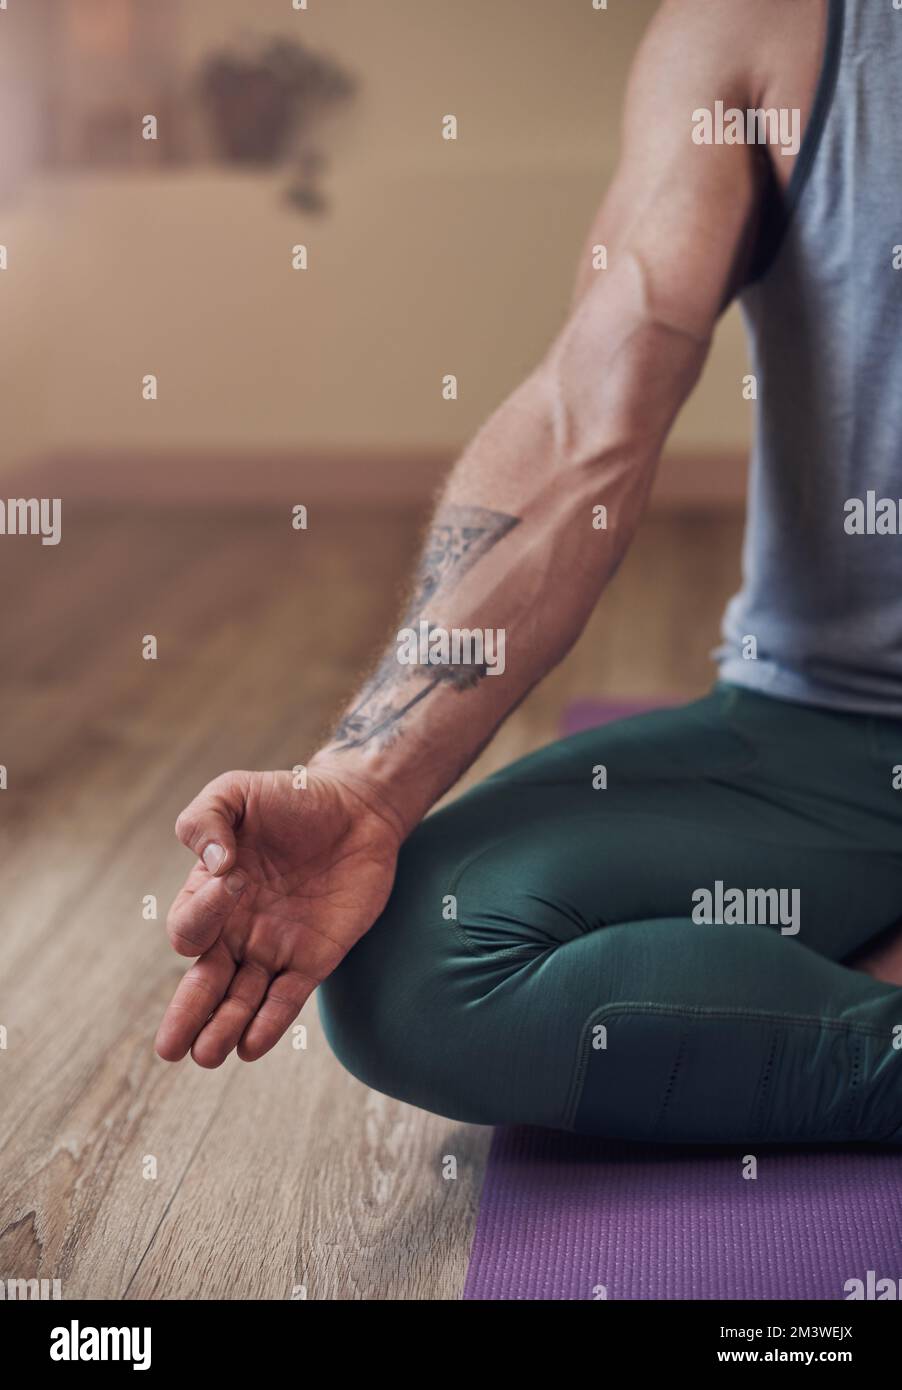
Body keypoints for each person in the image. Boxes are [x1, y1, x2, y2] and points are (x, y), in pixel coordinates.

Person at [155, 0, 902, 1144]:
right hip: (824, 738)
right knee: (414, 964)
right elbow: (586, 420)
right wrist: (364, 783)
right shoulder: (761, 28)